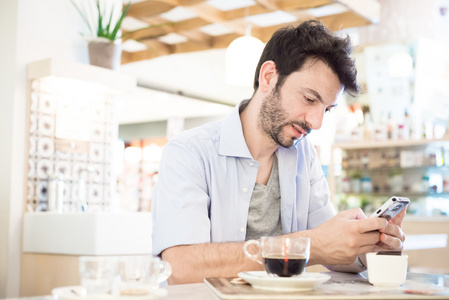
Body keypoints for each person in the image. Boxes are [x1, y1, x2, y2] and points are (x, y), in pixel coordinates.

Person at [151, 20, 406, 284]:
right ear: (269, 77)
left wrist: (369, 243)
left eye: (327, 109)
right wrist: (312, 245)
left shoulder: (303, 155)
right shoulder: (189, 152)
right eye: (309, 99)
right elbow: (180, 267)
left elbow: (333, 251)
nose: (316, 122)